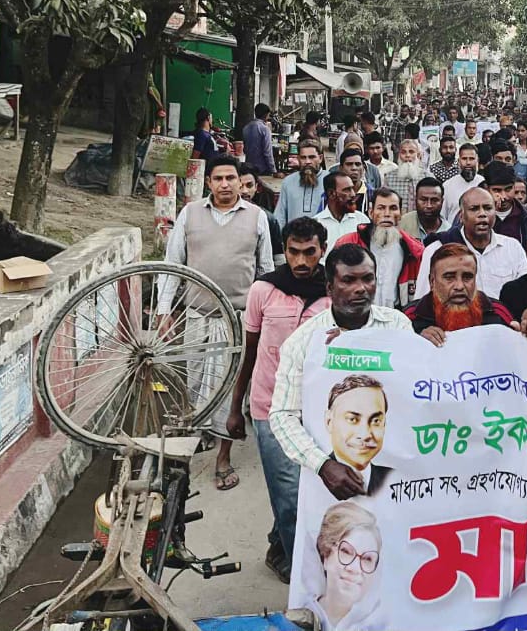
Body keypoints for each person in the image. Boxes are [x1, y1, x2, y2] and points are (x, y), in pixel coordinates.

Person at [226, 215, 329, 582]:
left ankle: (278, 546)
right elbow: (249, 352)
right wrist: (235, 409)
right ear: (284, 250)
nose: (301, 261)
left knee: (312, 491)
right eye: (294, 252)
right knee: (287, 493)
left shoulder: (334, 294)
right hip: (269, 407)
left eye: (309, 252)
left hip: (318, 411)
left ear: (323, 251)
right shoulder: (263, 290)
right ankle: (305, 575)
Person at [270, 244, 414, 500]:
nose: (361, 288)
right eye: (348, 280)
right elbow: (283, 415)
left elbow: (414, 392)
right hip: (326, 486)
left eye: (368, 278)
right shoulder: (304, 342)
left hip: (397, 476)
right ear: (329, 288)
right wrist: (322, 465)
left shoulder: (397, 326)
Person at [166, 154, 273, 491]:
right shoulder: (190, 213)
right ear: (208, 182)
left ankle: (223, 457)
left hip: (237, 318)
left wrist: (266, 318)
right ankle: (202, 434)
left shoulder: (256, 217)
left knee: (231, 388)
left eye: (231, 178)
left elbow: (265, 271)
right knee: (196, 383)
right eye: (218, 179)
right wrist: (164, 312)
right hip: (196, 316)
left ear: (241, 182)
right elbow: (173, 264)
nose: (225, 184)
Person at [416, 187, 527, 300]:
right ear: (461, 216)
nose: (482, 214)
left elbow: (525, 296)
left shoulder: (512, 247)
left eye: (488, 208)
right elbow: (422, 300)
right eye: (474, 209)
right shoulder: (437, 249)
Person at [407, 244, 515, 343]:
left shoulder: (497, 313)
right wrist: (417, 340)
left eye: (467, 277)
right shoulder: (408, 319)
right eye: (449, 278)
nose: (459, 286)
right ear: (432, 282)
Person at [336, 189, 424, 309]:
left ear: (401, 214)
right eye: (381, 208)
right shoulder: (348, 243)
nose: (387, 214)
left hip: (397, 314)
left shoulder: (414, 251)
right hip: (356, 312)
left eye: (393, 208)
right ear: (371, 212)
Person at [311, 501, 383, 631]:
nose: (355, 568)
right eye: (346, 552)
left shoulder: (379, 625)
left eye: (367, 559)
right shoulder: (300, 614)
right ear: (326, 555)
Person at [480, 161, 527, 250]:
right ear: (487, 189)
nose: (503, 197)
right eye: (497, 190)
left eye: (508, 189)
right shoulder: (475, 216)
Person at [240, 163, 284, 266]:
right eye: (240, 186)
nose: (244, 191)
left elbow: (278, 257)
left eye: (249, 185)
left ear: (256, 187)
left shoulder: (268, 218)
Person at [274, 139, 326, 225]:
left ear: (320, 158)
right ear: (298, 159)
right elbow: (280, 216)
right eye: (303, 158)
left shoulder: (330, 180)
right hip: (293, 233)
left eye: (312, 157)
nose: (307, 162)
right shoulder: (288, 182)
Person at [317, 173, 371, 248]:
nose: (353, 194)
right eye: (347, 190)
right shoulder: (317, 223)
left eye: (352, 189)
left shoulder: (362, 220)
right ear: (331, 193)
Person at [441, 143, 483, 224]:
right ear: (458, 161)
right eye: (464, 159)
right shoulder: (447, 186)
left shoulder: (484, 184)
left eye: (471, 159)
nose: (468, 162)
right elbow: (442, 217)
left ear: (477, 160)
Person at [383, 138, 426, 211]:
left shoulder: (426, 176)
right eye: (403, 152)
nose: (407, 155)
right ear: (399, 155)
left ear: (418, 155)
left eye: (411, 152)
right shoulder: (389, 177)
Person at [399, 177, 445, 243]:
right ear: (415, 200)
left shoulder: (449, 232)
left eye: (434, 200)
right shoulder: (402, 224)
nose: (429, 205)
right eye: (424, 200)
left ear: (442, 201)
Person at [243, 102, 276, 175]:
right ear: (266, 115)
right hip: (262, 169)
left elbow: (245, 149)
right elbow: (267, 152)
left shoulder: (246, 127)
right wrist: (273, 170)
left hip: (249, 167)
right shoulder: (265, 129)